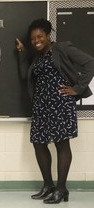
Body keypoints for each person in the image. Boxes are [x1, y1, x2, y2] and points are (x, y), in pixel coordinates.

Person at [16, 18, 94, 204]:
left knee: (61, 145)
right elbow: (24, 75)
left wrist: (77, 88)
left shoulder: (63, 49)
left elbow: (90, 62)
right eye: (33, 39)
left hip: (60, 104)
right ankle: (48, 186)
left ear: (48, 35)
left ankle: (61, 189)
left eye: (39, 36)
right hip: (41, 105)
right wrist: (23, 54)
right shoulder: (38, 56)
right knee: (38, 143)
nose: (36, 41)